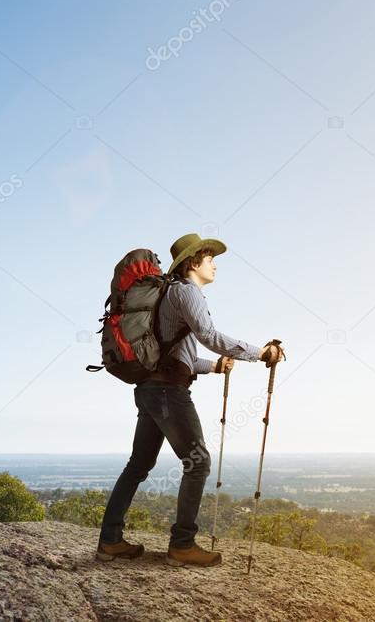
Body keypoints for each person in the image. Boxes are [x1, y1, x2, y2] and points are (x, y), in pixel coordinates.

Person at [96, 233, 285, 567]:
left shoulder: (170, 295)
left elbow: (175, 356)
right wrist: (261, 353)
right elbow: (210, 337)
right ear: (193, 262)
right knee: (198, 462)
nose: (214, 265)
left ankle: (110, 540)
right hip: (168, 393)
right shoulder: (187, 292)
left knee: (138, 466)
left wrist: (213, 366)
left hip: (152, 390)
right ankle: (182, 545)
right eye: (210, 258)